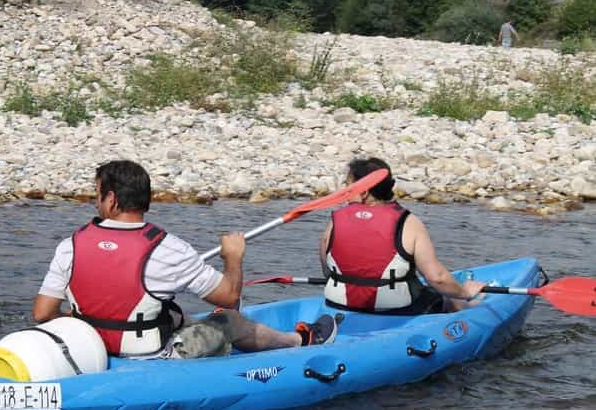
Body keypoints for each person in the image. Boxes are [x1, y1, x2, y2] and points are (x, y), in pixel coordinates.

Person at [33, 159, 337, 360]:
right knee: (228, 319)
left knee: (174, 314)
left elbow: (43, 313)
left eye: (96, 194)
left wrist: (88, 321)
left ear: (111, 200)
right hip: (148, 356)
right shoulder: (169, 248)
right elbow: (230, 298)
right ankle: (300, 342)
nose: (96, 201)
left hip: (92, 351)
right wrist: (233, 257)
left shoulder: (69, 245)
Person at [319, 157, 486, 315]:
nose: (344, 192)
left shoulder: (335, 222)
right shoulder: (408, 222)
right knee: (449, 299)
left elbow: (327, 271)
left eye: (349, 186)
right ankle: (470, 307)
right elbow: (437, 279)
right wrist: (464, 292)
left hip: (338, 304)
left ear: (364, 192)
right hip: (397, 310)